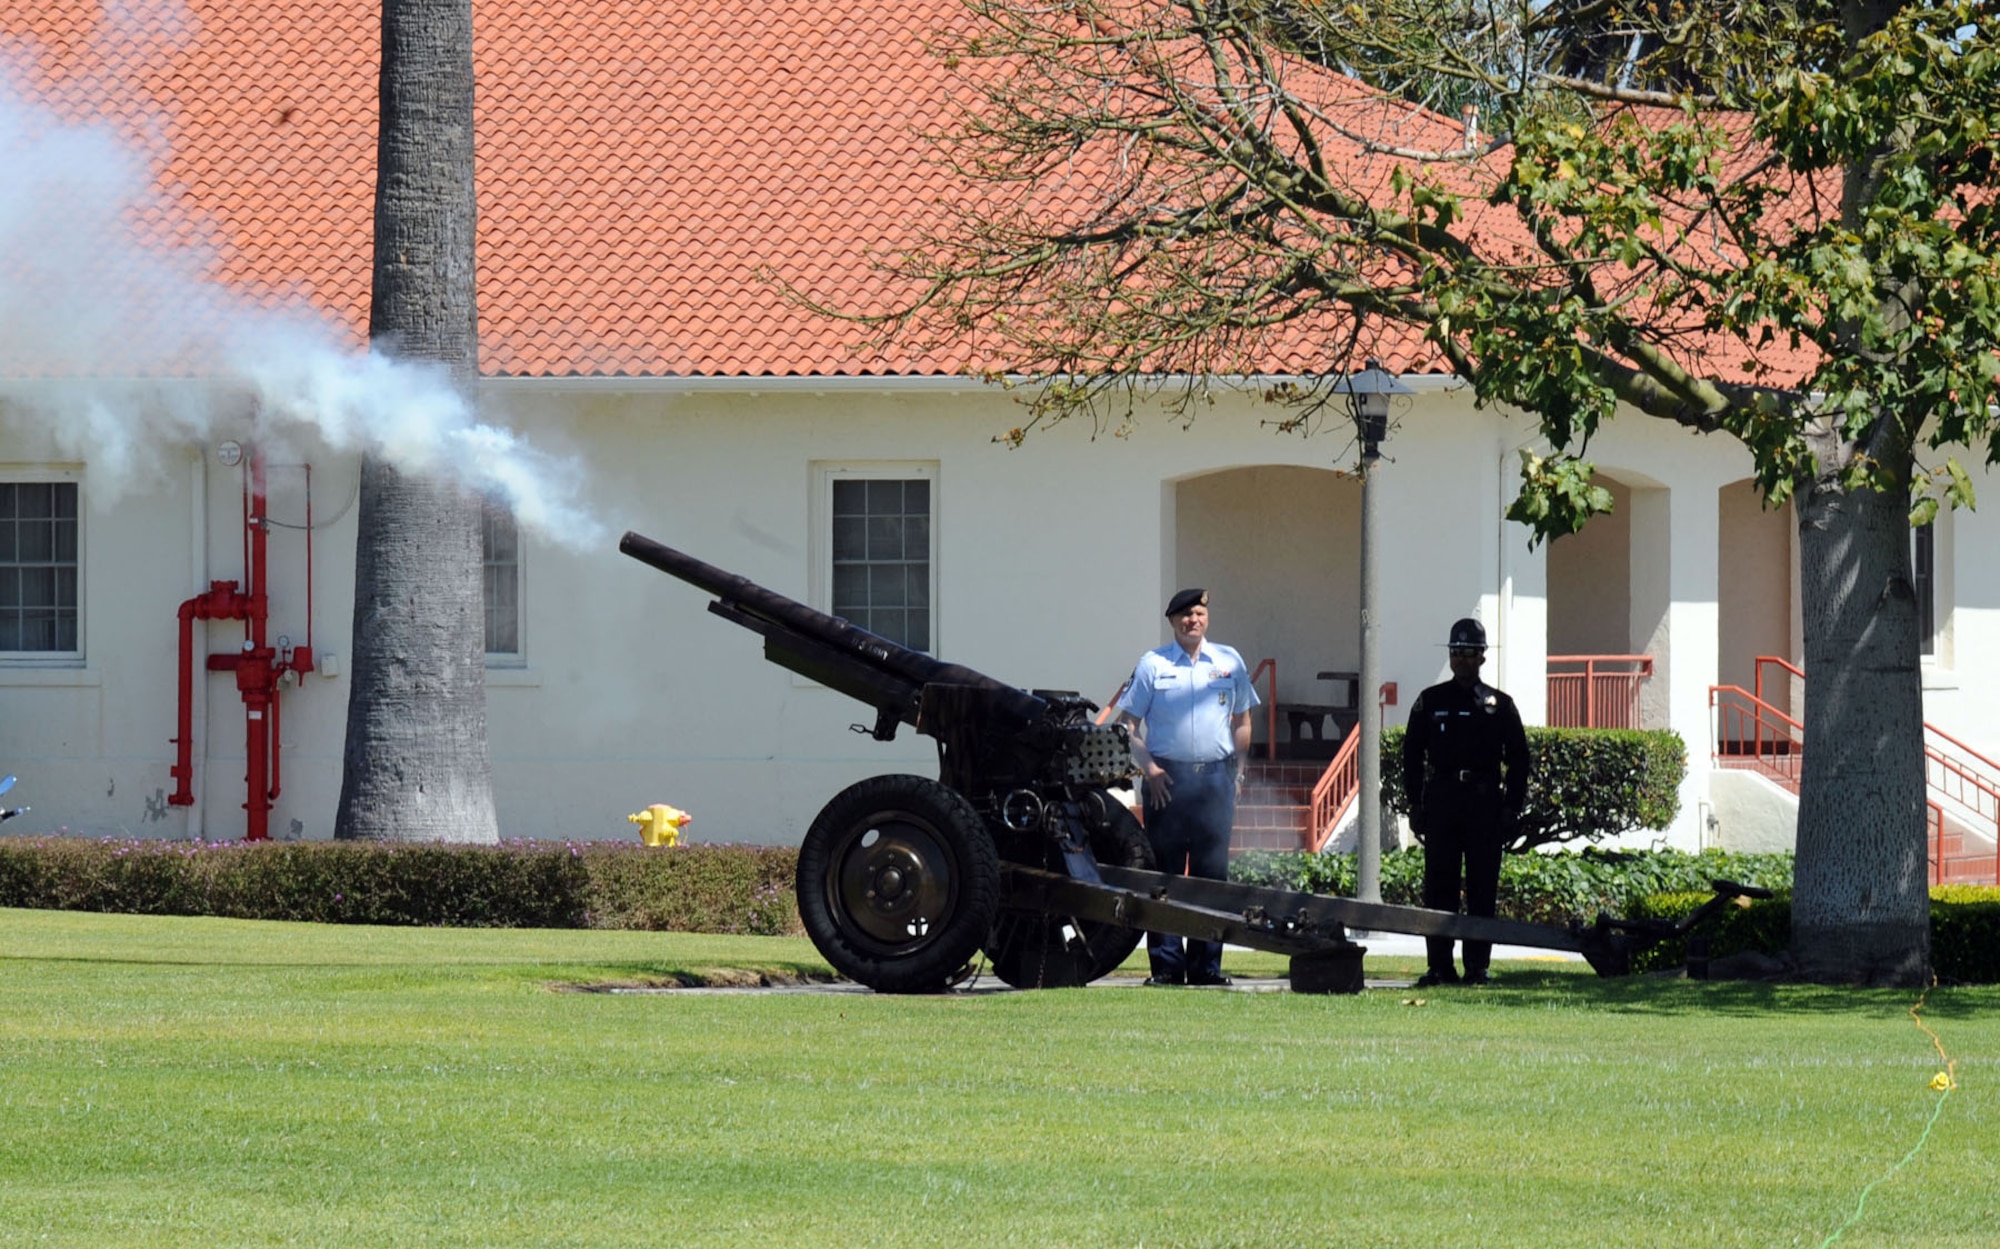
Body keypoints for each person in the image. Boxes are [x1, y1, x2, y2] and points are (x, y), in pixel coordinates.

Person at [1115, 588, 1259, 987]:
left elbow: (1243, 722)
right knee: (1165, 875)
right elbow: (1127, 728)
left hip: (1215, 777)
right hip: (1168, 780)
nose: (1192, 620)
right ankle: (1165, 967)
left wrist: (1239, 773)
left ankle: (1206, 967)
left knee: (1212, 876)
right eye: (1184, 615)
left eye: (1198, 613)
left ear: (1206, 617)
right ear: (1172, 621)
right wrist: (1151, 770)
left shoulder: (1229, 661)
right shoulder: (1153, 664)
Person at [1400, 617, 1530, 988]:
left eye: (1470, 653)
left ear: (1482, 658)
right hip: (1442, 799)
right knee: (1439, 884)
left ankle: (1477, 966)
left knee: (1481, 885)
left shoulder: (1500, 705)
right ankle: (1439, 965)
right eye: (1457, 652)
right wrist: (1415, 804)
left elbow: (1519, 758)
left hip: (1483, 802)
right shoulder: (1431, 701)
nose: (1463, 660)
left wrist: (1511, 808)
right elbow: (1412, 755)